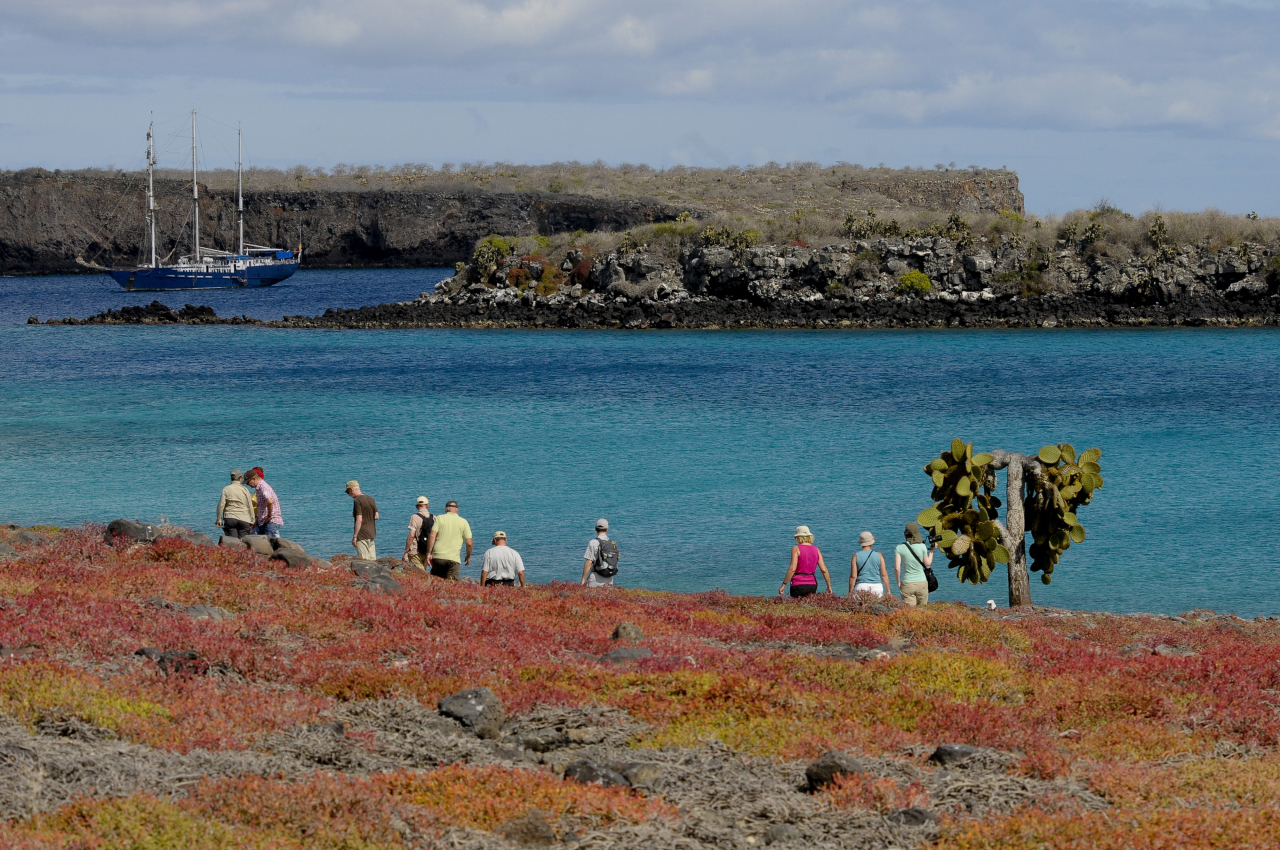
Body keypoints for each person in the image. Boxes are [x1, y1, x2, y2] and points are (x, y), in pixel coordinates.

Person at [779, 525, 832, 597]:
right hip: (812, 584)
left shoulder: (796, 549)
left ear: (798, 537)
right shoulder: (816, 549)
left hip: (797, 584)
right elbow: (824, 570)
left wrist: (784, 584)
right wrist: (829, 586)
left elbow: (792, 569)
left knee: (797, 606)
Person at [426, 500, 472, 580]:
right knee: (451, 585)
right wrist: (468, 556)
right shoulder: (464, 522)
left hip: (438, 556)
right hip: (453, 558)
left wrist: (429, 553)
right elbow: (469, 543)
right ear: (457, 510)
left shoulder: (440, 518)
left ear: (446, 509)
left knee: (436, 583)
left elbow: (432, 536)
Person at [895, 522, 935, 607]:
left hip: (907, 583)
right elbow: (928, 564)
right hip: (922, 583)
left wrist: (898, 582)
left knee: (910, 613)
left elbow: (897, 568)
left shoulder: (899, 548)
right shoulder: (922, 546)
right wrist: (931, 551)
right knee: (923, 612)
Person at [850, 530, 892, 598]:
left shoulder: (856, 556)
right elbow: (884, 575)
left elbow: (853, 577)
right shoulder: (879, 555)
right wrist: (888, 591)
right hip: (877, 587)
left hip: (861, 587)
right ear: (872, 543)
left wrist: (850, 592)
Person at [215, 469, 255, 540]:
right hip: (244, 518)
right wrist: (252, 520)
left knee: (233, 543)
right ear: (240, 478)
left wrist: (219, 519)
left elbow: (221, 505)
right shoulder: (245, 490)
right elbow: (250, 506)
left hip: (230, 518)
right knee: (243, 543)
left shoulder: (226, 489)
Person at [245, 467, 283, 539]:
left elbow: (269, 501)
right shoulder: (259, 488)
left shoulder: (263, 487)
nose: (247, 484)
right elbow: (261, 505)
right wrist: (256, 521)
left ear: (253, 479)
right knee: (253, 537)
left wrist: (269, 515)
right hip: (262, 521)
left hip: (271, 521)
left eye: (248, 482)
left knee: (273, 543)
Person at [346, 480, 379, 560]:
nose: (349, 495)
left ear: (352, 489)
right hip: (371, 533)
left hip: (362, 535)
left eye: (348, 492)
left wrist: (355, 536)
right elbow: (377, 516)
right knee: (373, 561)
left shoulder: (357, 501)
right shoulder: (371, 499)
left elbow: (359, 520)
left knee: (364, 561)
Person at [581, 519, 619, 587]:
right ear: (607, 529)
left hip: (595, 578)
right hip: (609, 579)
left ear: (595, 529)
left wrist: (583, 579)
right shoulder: (612, 544)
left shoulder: (593, 542)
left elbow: (589, 562)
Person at [402, 496, 434, 572]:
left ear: (417, 506)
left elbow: (411, 535)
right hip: (428, 550)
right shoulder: (434, 518)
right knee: (424, 572)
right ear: (427, 505)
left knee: (419, 574)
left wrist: (406, 552)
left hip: (415, 550)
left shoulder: (414, 517)